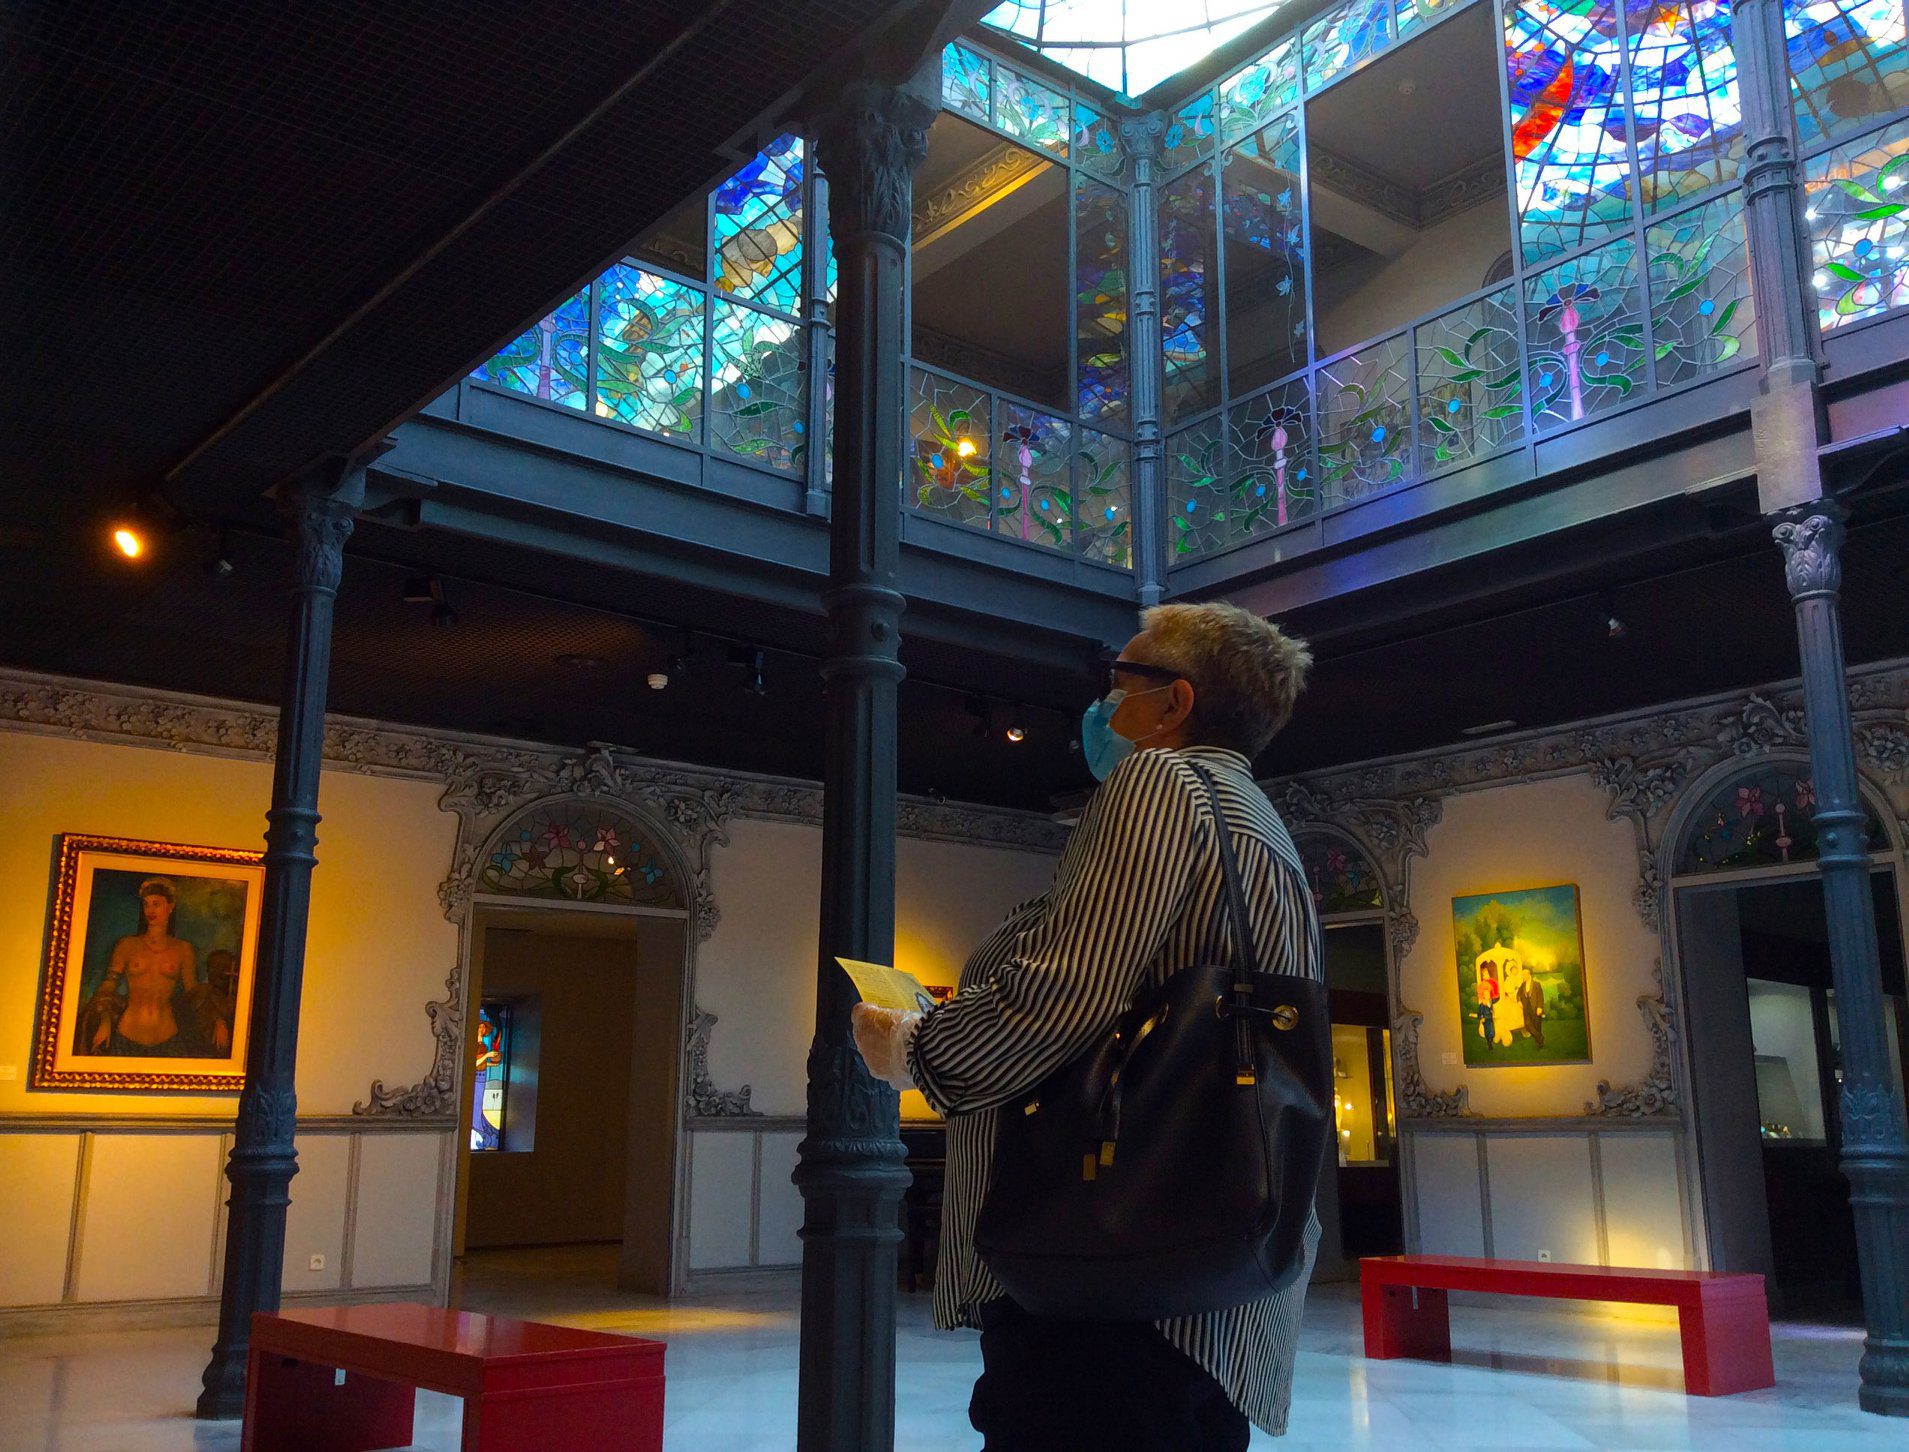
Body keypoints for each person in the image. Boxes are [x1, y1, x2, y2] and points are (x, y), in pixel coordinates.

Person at [853, 601, 1321, 1451]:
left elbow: (1062, 996)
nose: (1103, 706)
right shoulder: (1253, 815)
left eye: (1120, 682)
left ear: (1174, 702)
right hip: (1201, 1272)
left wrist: (913, 1048)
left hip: (1109, 1260)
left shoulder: (1160, 781)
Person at [77, 877, 205, 1057]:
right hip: (127, 1034)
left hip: (168, 1036)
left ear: (170, 907)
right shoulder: (127, 945)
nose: (150, 910)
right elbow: (108, 986)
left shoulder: (184, 949)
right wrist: (105, 1021)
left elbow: (194, 995)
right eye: (146, 905)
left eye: (156, 904)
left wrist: (216, 1020)